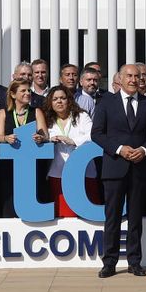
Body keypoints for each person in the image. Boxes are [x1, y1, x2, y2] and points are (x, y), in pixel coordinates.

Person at [92, 64, 146, 277]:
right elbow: (97, 134)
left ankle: (135, 261)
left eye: (137, 76)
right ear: (120, 79)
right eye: (129, 76)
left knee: (135, 218)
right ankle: (110, 262)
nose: (133, 80)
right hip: (115, 167)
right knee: (112, 217)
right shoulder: (106, 102)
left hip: (140, 168)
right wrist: (120, 149)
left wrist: (143, 150)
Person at [0, 79, 47, 217]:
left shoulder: (36, 112)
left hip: (31, 166)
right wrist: (6, 138)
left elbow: (45, 135)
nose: (27, 93)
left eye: (29, 90)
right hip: (9, 166)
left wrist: (41, 138)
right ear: (12, 94)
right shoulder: (3, 113)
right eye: (23, 91)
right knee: (9, 201)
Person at [44, 85, 92, 218]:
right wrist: (49, 140)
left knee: (85, 216)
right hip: (58, 172)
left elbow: (93, 135)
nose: (59, 101)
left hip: (84, 172)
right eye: (55, 99)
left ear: (69, 100)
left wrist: (73, 141)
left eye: (63, 98)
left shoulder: (82, 116)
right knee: (63, 215)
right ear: (50, 102)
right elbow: (41, 138)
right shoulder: (47, 121)